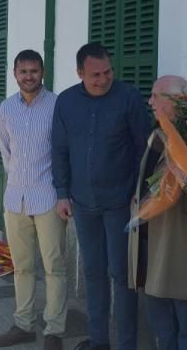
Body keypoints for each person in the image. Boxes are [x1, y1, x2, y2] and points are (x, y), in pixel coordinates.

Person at [52, 43, 150, 350]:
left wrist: (139, 192)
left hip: (120, 202)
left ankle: (126, 344)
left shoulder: (129, 98)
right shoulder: (66, 102)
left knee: (122, 276)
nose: (103, 79)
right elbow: (60, 150)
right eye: (95, 74)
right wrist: (62, 194)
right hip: (83, 203)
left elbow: (144, 150)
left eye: (107, 71)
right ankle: (98, 341)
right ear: (80, 72)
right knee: (93, 273)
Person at [129, 76, 187, 350]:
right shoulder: (157, 136)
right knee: (163, 330)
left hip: (185, 255)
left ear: (177, 102)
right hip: (153, 254)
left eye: (156, 96)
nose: (150, 101)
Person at [0, 50, 67, 350]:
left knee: (54, 267)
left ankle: (54, 331)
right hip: (15, 199)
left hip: (48, 198)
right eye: (23, 71)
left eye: (34, 71)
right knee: (21, 267)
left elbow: (64, 150)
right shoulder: (7, 108)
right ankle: (23, 324)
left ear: (42, 72)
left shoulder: (58, 105)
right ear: (15, 73)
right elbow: (6, 151)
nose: (29, 76)